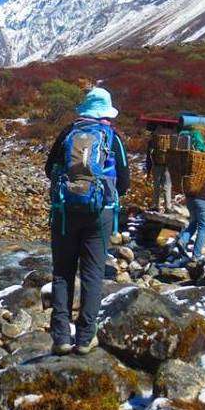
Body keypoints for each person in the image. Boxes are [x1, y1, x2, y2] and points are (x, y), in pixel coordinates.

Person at [45, 87, 130, 356]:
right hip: (99, 213)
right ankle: (84, 339)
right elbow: (124, 182)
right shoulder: (112, 137)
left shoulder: (68, 133)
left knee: (63, 272)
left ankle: (61, 337)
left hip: (65, 211)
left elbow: (49, 169)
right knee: (93, 274)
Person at [171, 148, 205, 264]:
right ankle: (197, 255)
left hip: (190, 197)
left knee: (193, 223)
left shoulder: (195, 162)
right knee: (204, 226)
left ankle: (183, 240)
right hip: (203, 198)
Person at [145, 124, 173, 212]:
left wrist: (148, 171)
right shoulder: (171, 138)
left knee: (156, 186)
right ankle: (168, 207)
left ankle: (155, 205)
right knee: (167, 186)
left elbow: (148, 157)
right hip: (168, 165)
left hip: (156, 164)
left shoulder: (153, 140)